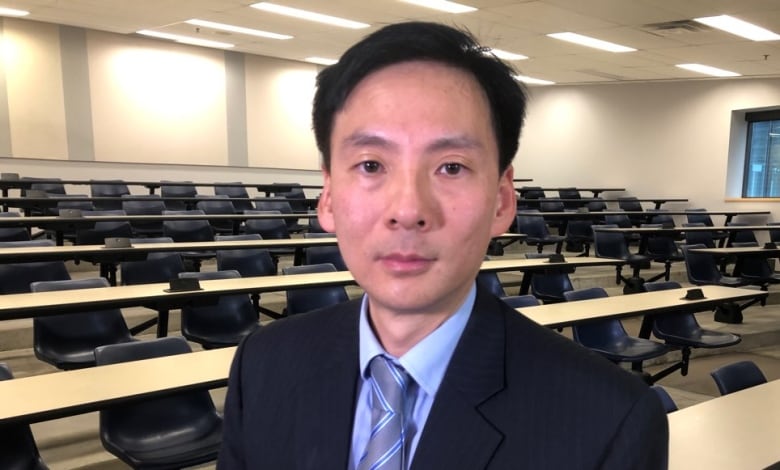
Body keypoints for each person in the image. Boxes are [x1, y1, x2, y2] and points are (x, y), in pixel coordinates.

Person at [218, 21, 668, 469]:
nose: (409, 209)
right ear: (329, 196)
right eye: (371, 164)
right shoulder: (263, 365)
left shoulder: (609, 420)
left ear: (502, 200)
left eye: (451, 167)